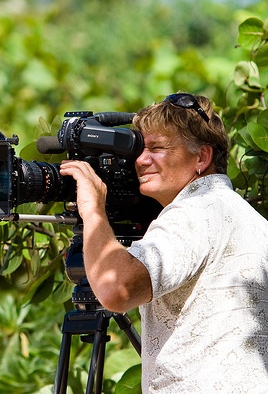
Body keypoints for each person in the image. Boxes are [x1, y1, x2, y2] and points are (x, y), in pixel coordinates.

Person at [60, 93, 268, 393]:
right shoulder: (248, 217)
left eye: (157, 148)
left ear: (202, 157)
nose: (142, 161)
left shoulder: (194, 212)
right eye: (140, 150)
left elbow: (115, 288)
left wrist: (93, 210)